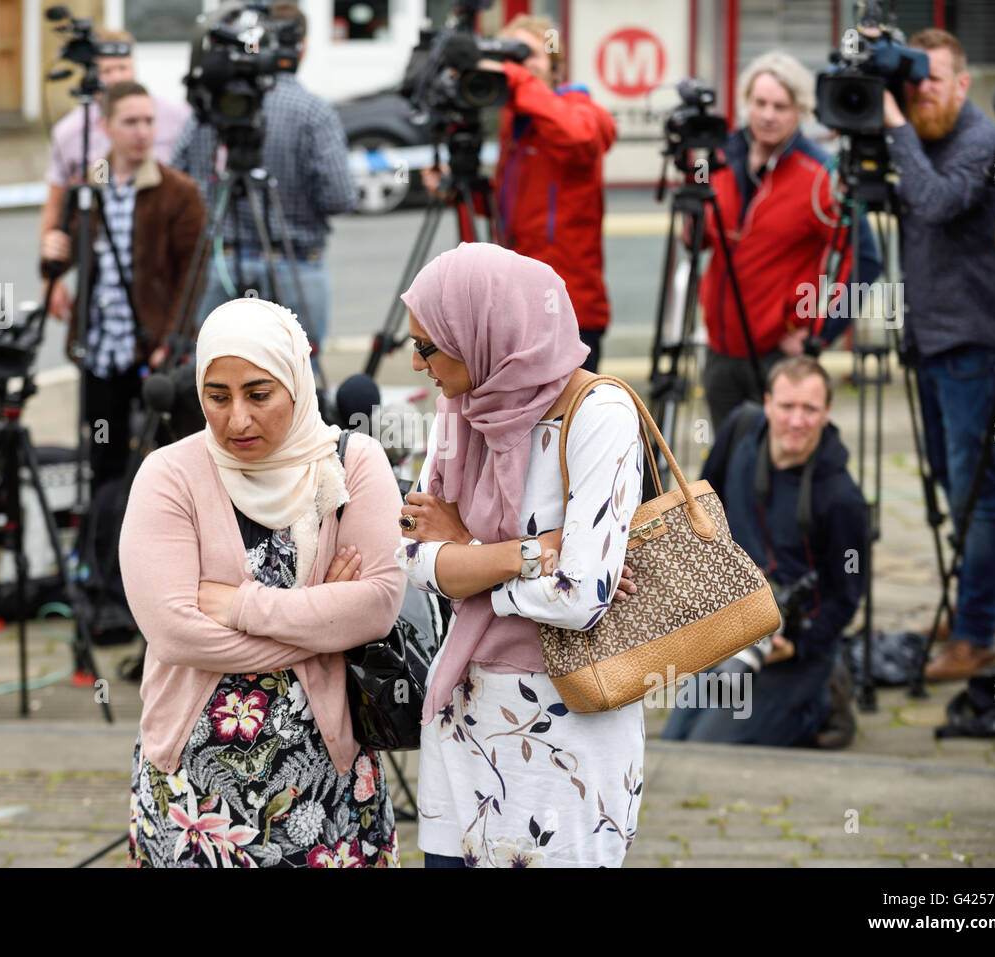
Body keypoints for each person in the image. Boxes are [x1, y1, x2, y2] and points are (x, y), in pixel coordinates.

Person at [118, 297, 407, 867]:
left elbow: (375, 607)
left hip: (328, 785)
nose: (236, 420)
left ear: (297, 384)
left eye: (259, 394)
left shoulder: (354, 464)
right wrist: (323, 620)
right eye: (217, 397)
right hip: (193, 795)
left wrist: (241, 605)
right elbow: (175, 633)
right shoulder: (169, 476)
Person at [396, 243, 643, 868]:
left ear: (482, 331)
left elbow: (582, 598)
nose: (419, 364)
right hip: (464, 717)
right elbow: (413, 560)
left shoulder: (599, 413)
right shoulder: (460, 410)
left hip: (567, 726)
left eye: (428, 346)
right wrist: (532, 554)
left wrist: (469, 558)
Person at [882, 29, 995, 681]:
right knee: (950, 477)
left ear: (963, 84)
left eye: (932, 80)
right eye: (911, 83)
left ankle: (974, 636)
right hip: (933, 338)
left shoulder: (984, 143)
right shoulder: (923, 140)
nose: (919, 94)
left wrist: (895, 131)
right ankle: (980, 601)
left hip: (976, 341)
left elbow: (937, 202)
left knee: (976, 488)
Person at [662, 357, 867, 746]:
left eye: (810, 409)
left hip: (795, 652)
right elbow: (703, 508)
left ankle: (822, 702)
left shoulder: (841, 499)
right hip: (736, 629)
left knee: (708, 746)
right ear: (768, 403)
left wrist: (800, 645)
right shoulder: (741, 430)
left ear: (827, 414)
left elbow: (847, 596)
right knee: (675, 740)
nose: (796, 421)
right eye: (787, 406)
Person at [699, 50, 881, 430]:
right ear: (746, 102)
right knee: (724, 468)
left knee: (773, 472)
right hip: (719, 350)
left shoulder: (820, 174)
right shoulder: (720, 156)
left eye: (780, 106)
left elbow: (865, 260)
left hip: (778, 356)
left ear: (799, 110)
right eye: (760, 103)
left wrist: (821, 333)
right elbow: (702, 240)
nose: (767, 115)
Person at [423, 14, 615, 372]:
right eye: (511, 59)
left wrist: (515, 77)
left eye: (530, 55)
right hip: (514, 304)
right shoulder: (517, 121)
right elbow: (506, 207)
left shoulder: (581, 109)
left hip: (569, 307)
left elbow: (582, 137)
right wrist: (459, 188)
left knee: (565, 425)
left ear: (556, 67)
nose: (519, 66)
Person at [41, 81, 205, 492]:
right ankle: (103, 546)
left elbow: (193, 276)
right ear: (105, 126)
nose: (142, 132)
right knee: (104, 461)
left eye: (148, 121)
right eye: (130, 122)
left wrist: (172, 339)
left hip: (154, 350)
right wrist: (53, 258)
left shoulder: (178, 192)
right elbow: (65, 258)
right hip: (99, 350)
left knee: (173, 460)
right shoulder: (87, 189)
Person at [172, 2, 357, 365]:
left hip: (219, 265)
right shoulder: (313, 111)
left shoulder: (211, 106)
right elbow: (340, 196)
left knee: (210, 375)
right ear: (301, 45)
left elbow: (175, 176)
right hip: (296, 266)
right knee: (299, 381)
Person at [41, 28, 190, 322]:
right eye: (105, 70)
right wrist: (51, 276)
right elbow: (55, 205)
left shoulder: (177, 117)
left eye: (122, 68)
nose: (115, 78)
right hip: (102, 268)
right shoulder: (70, 133)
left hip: (163, 263)